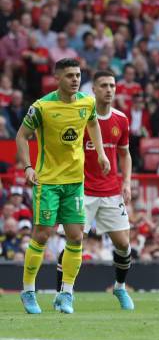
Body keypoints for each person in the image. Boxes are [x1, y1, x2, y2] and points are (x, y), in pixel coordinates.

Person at [16, 58, 110, 314]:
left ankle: (66, 294)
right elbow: (21, 136)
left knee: (76, 235)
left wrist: (101, 153)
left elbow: (93, 124)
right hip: (47, 181)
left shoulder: (87, 102)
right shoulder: (42, 107)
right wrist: (27, 167)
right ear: (56, 78)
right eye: (69, 75)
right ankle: (28, 290)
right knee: (43, 234)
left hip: (75, 182)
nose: (75, 79)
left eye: (78, 75)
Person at [54, 70, 134, 311]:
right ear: (94, 90)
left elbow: (125, 153)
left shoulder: (121, 119)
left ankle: (120, 287)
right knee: (74, 240)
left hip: (110, 192)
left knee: (123, 245)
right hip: (82, 191)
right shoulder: (80, 117)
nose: (109, 90)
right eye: (104, 85)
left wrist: (127, 182)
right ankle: (64, 293)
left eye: (112, 85)